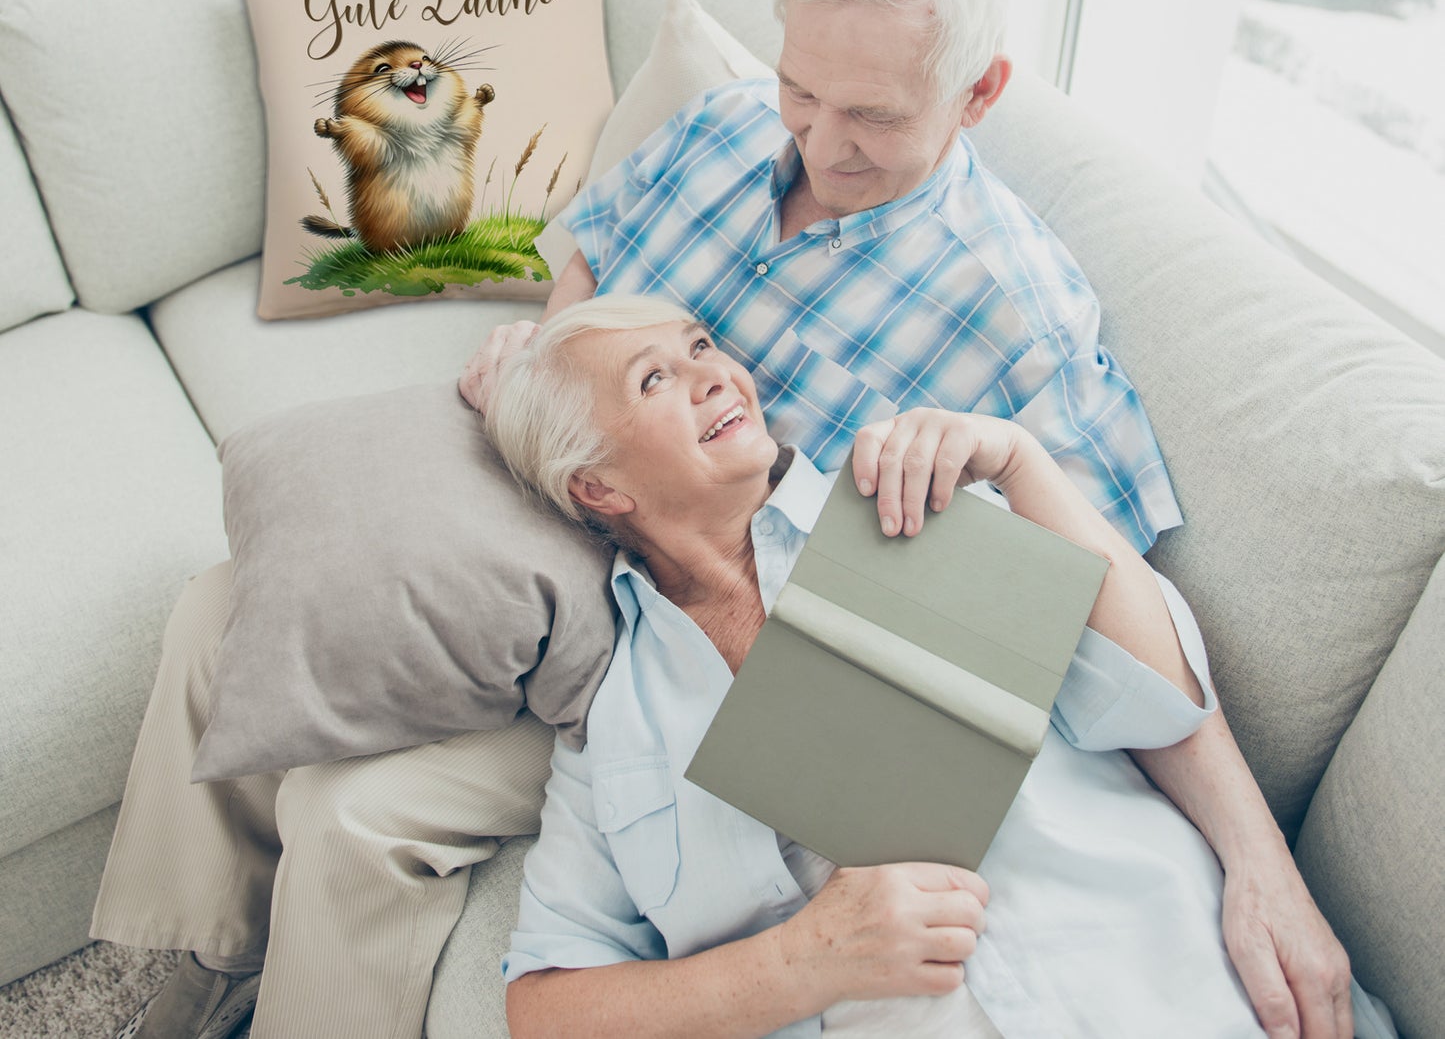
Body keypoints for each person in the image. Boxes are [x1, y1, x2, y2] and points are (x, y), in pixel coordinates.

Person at [94, 0, 1348, 1039]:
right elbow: (589, 260)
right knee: (229, 601)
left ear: (976, 95)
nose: (818, 138)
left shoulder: (1016, 318)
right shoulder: (726, 126)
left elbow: (1103, 614)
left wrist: (1260, 860)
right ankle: (192, 958)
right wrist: (545, 357)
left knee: (355, 812)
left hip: (693, 607)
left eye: (871, 114)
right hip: (581, 482)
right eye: (804, 89)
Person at [486, 294, 1383, 1039]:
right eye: (655, 378)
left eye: (700, 346)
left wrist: (1021, 463)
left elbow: (1158, 700)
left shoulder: (909, 501)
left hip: (1175, 985)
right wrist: (802, 961)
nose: (714, 373)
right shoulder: (614, 726)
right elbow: (545, 1006)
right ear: (597, 487)